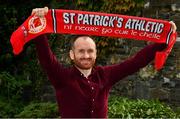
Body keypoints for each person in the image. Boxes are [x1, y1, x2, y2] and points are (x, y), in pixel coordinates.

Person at [32, 7, 177, 118]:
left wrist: (163, 40)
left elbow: (135, 63)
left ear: (96, 53)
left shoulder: (105, 74)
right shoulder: (62, 77)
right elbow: (46, 59)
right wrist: (39, 23)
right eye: (81, 51)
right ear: (72, 54)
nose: (86, 55)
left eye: (90, 51)